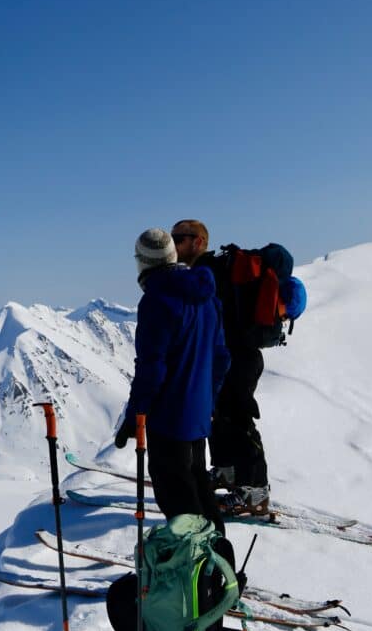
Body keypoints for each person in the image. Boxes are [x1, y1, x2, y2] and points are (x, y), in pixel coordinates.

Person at [115, 228, 230, 534]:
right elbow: (221, 358)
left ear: (143, 262)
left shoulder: (157, 300)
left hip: (168, 418)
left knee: (179, 502)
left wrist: (135, 416)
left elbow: (152, 368)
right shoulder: (207, 295)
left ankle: (196, 574)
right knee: (199, 488)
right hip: (197, 415)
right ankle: (220, 567)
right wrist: (209, 400)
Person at [170, 219, 270, 515]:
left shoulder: (208, 273)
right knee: (220, 415)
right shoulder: (210, 270)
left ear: (198, 241)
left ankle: (255, 490)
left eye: (179, 238)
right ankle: (227, 471)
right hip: (229, 356)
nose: (173, 245)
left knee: (239, 419)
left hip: (237, 357)